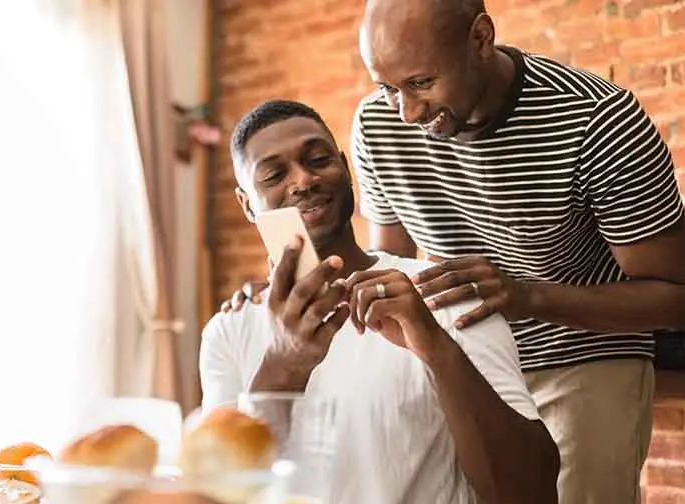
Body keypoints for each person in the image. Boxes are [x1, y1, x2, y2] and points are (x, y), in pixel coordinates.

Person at [224, 1, 685, 502]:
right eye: (387, 87)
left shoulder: (599, 119)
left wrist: (528, 298)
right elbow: (384, 266)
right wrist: (280, 285)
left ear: (481, 39)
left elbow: (674, 296)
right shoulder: (379, 124)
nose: (407, 112)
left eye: (421, 83)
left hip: (579, 359)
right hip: (460, 360)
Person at [200, 99, 560, 504]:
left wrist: (435, 347)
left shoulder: (443, 294)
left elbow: (532, 492)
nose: (303, 180)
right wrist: (284, 366)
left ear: (345, 167)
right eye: (274, 174)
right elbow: (219, 494)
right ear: (247, 203)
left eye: (318, 159)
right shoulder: (229, 331)